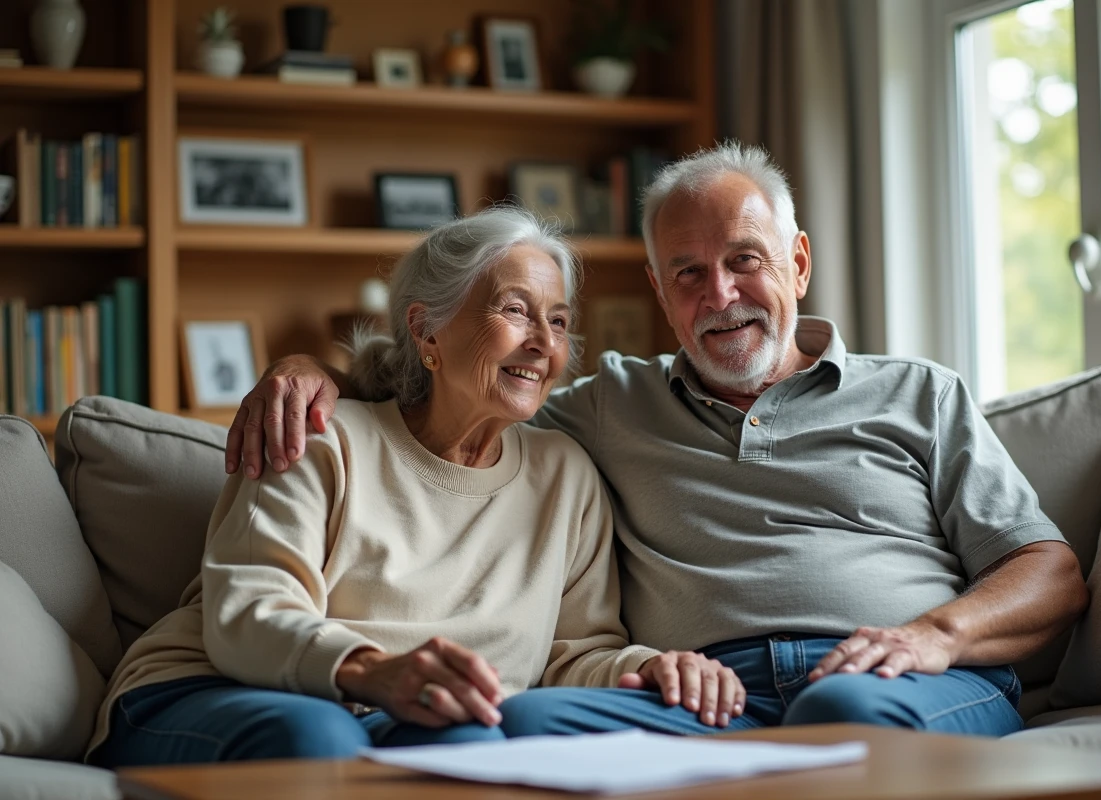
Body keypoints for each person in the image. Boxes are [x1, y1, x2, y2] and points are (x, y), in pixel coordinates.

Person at [227, 142, 1090, 738]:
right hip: (711, 692)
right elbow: (453, 392)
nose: (718, 294)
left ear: (797, 262)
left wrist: (935, 635)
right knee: (521, 724)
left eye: (744, 259)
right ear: (658, 288)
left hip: (906, 678)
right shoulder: (609, 405)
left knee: (842, 714)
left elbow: (1049, 573)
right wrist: (308, 370)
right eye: (688, 272)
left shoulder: (919, 394)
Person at [86, 207, 743, 768]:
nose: (544, 343)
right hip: (207, 690)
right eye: (515, 310)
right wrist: (373, 671)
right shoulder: (320, 435)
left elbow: (574, 653)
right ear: (428, 332)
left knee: (468, 743)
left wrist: (650, 667)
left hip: (394, 714)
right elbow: (247, 617)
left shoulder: (564, 474)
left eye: (560, 321)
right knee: (317, 736)